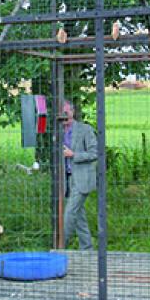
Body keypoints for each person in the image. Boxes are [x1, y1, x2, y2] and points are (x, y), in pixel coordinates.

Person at [60, 100, 98, 251]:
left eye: (67, 112)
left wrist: (73, 154)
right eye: (62, 114)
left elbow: (95, 153)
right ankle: (87, 249)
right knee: (79, 216)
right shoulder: (58, 132)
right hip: (66, 179)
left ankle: (60, 246)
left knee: (69, 213)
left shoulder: (85, 129)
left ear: (73, 112)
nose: (65, 116)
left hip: (82, 178)